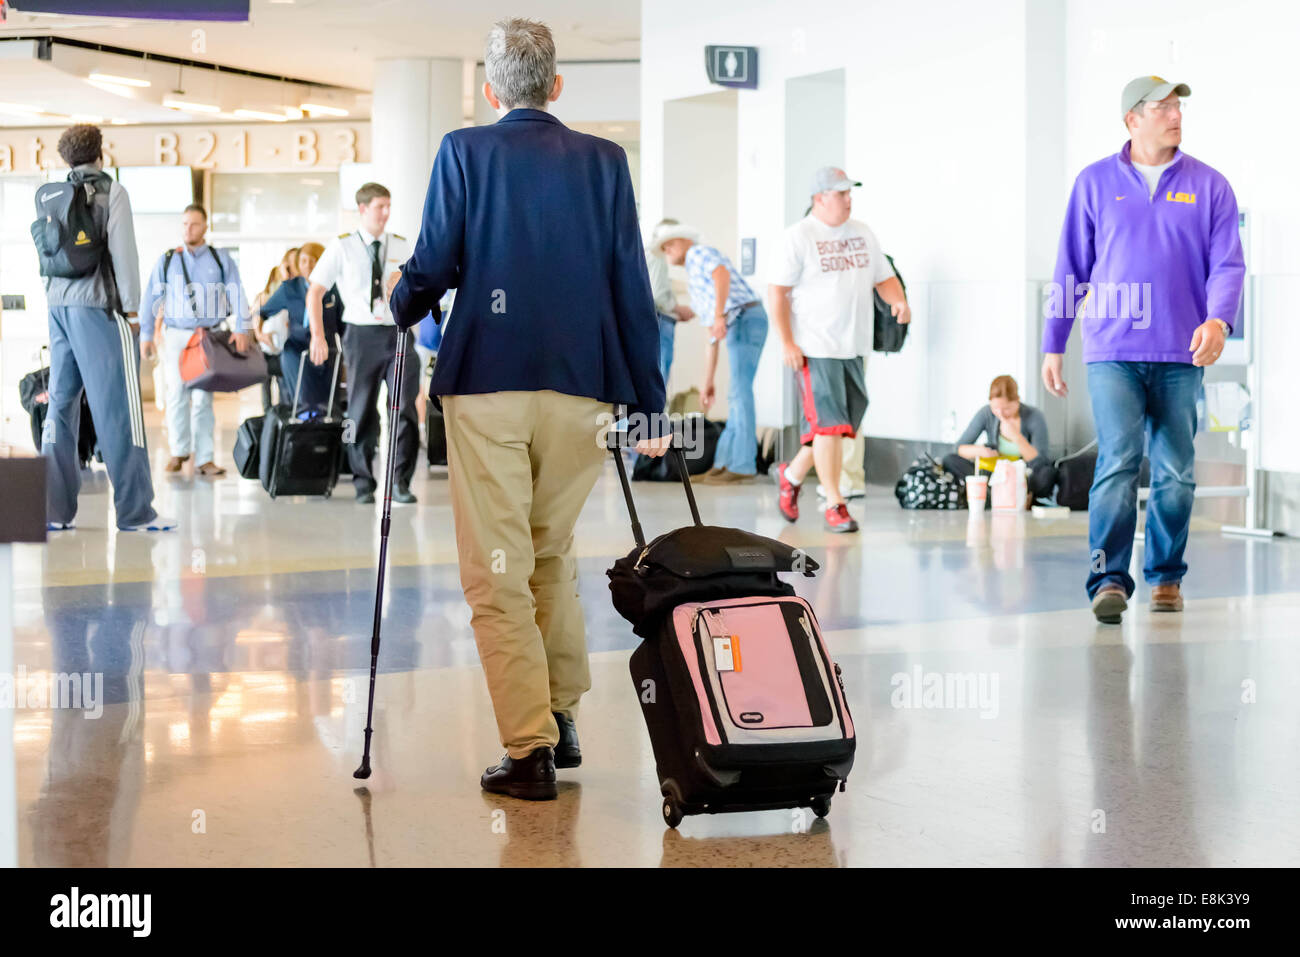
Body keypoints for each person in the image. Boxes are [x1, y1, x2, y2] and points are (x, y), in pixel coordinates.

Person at [389, 17, 667, 800]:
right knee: (548, 551)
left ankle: (529, 749)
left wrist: (402, 298)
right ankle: (561, 711)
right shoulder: (605, 162)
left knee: (498, 569)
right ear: (557, 86)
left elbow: (433, 263)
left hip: (489, 385)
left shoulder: (464, 151)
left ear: (489, 90)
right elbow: (629, 285)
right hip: (585, 387)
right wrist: (648, 400)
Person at [1042, 76, 1244, 624]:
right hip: (1112, 348)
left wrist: (1219, 320)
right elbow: (1070, 267)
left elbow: (1228, 264)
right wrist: (1053, 341)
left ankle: (1166, 577)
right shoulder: (1093, 182)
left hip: (1182, 353)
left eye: (1178, 107)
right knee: (1119, 462)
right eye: (1163, 108)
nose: (1175, 115)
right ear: (1132, 119)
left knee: (1177, 471)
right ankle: (1107, 577)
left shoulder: (1210, 186)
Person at [40, 124, 174, 532]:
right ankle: (136, 513)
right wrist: (134, 312)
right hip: (99, 310)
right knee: (120, 408)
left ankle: (54, 512)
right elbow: (124, 255)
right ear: (102, 152)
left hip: (58, 306)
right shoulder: (112, 192)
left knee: (61, 405)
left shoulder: (54, 195)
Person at [769, 167, 910, 532]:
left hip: (855, 346)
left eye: (850, 194)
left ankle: (793, 473)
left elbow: (885, 277)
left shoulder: (862, 233)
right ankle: (835, 503)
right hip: (815, 347)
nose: (849, 200)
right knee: (830, 428)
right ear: (820, 198)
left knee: (843, 425)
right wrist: (787, 341)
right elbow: (777, 292)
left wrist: (899, 302)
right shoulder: (798, 237)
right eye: (841, 194)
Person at [306, 183, 416, 505]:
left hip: (398, 333)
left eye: (389, 206)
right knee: (359, 412)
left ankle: (400, 482)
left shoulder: (401, 245)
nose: (386, 213)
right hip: (361, 335)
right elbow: (315, 290)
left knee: (405, 408)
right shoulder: (342, 247)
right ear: (363, 209)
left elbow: (416, 287)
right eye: (380, 206)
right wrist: (318, 335)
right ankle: (362, 480)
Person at [141, 204, 252, 478]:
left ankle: (205, 458)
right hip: (176, 336)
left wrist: (242, 327)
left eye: (194, 224)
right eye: (184, 224)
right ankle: (179, 452)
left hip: (207, 337)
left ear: (205, 226)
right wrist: (146, 335)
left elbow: (237, 293)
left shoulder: (219, 258)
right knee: (176, 394)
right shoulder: (168, 260)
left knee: (203, 399)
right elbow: (150, 299)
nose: (188, 229)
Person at [658, 225, 766, 484]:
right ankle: (723, 464)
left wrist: (719, 315)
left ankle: (742, 465)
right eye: (664, 248)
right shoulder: (696, 283)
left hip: (745, 317)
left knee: (740, 392)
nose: (667, 250)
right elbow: (712, 337)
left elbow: (721, 274)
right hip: (737, 320)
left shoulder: (698, 253)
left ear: (685, 240)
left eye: (670, 244)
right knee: (734, 393)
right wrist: (708, 383)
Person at [943, 375, 1056, 506]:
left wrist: (1017, 437)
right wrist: (980, 451)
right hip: (995, 475)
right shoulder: (986, 413)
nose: (1001, 414)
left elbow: (1040, 460)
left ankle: (1004, 499)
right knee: (949, 460)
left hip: (1023, 476)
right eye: (995, 408)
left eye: (1007, 408)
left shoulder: (1034, 416)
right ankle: (999, 498)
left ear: (1017, 401)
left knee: (1046, 475)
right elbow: (959, 449)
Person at [258, 243, 341, 411]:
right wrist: (259, 333)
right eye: (303, 261)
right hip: (296, 348)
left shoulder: (334, 287)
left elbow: (344, 322)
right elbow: (262, 313)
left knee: (330, 403)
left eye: (313, 260)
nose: (308, 265)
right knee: (304, 399)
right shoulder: (290, 288)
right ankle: (304, 423)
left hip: (327, 348)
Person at [645, 218, 695, 390]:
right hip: (661, 321)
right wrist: (680, 309)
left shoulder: (646, 255)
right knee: (660, 375)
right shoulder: (658, 258)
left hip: (656, 322)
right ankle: (655, 417)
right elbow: (658, 296)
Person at [252, 247, 299, 409]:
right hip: (268, 347)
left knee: (285, 388)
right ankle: (270, 418)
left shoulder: (300, 289)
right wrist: (259, 334)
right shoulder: (271, 294)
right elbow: (259, 314)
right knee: (267, 384)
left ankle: (282, 415)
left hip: (287, 347)